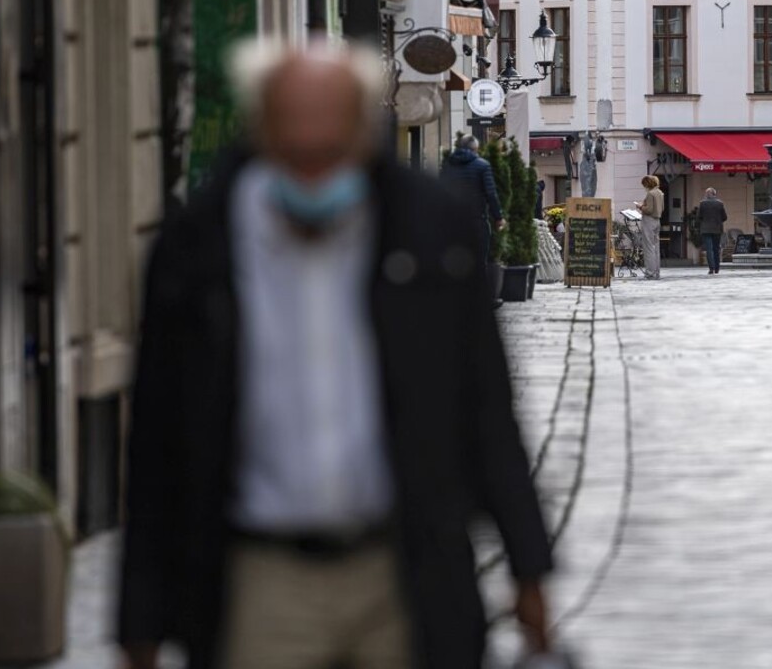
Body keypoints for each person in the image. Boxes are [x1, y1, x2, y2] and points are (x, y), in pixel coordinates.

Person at [118, 39, 553, 669]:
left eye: (329, 153)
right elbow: (158, 440)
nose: (313, 175)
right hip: (261, 574)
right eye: (296, 153)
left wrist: (529, 570)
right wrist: (141, 623)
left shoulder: (430, 231)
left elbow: (486, 407)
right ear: (263, 132)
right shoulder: (198, 250)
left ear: (361, 134)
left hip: (404, 564)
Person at [441, 134, 506, 265]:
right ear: (475, 149)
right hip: (476, 221)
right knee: (478, 262)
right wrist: (498, 218)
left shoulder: (448, 166)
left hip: (452, 222)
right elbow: (491, 194)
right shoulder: (482, 166)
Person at [636, 175, 665, 280]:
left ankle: (650, 272)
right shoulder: (660, 193)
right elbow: (661, 208)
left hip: (649, 220)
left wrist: (640, 206)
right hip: (657, 220)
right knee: (656, 247)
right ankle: (656, 272)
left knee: (648, 247)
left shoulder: (650, 194)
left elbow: (649, 210)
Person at [697, 187, 728, 274]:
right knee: (716, 249)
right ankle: (717, 268)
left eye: (706, 193)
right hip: (717, 229)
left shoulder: (702, 203)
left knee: (709, 249)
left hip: (706, 229)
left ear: (707, 194)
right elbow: (725, 217)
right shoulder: (720, 203)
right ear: (714, 194)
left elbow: (699, 216)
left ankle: (711, 268)